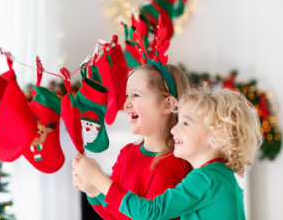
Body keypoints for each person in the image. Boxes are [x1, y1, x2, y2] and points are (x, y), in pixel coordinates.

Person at [73, 88, 262, 220]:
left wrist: (99, 180)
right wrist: (95, 190)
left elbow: (150, 213)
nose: (174, 130)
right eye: (177, 121)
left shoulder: (206, 179)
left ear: (217, 137)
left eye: (185, 123)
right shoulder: (218, 175)